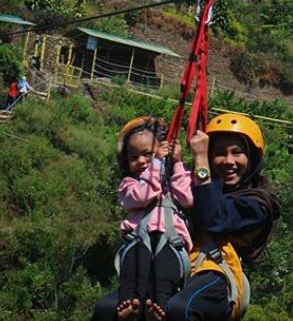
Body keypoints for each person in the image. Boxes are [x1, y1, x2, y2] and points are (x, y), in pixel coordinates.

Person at [92, 114, 279, 321]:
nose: (228, 161)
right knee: (107, 309)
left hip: (216, 271)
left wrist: (200, 160)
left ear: (251, 158)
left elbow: (213, 217)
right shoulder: (201, 186)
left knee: (181, 310)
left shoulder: (257, 203)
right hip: (177, 263)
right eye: (219, 153)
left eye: (237, 153)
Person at [105, 117, 193, 320]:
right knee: (134, 271)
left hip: (171, 240)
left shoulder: (173, 180)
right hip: (139, 237)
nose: (142, 161)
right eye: (134, 157)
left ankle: (157, 306)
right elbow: (145, 195)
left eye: (148, 154)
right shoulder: (128, 185)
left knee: (165, 272)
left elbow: (187, 199)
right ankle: (130, 303)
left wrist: (177, 163)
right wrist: (156, 164)